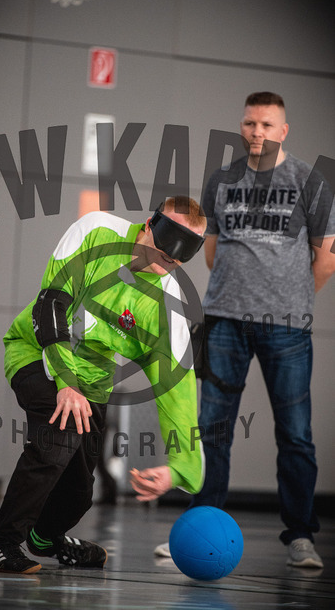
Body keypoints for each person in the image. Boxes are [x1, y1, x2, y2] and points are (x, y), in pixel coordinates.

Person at [154, 92, 335, 568]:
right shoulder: (221, 179)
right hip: (224, 323)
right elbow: (211, 251)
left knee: (295, 434)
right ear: (242, 126)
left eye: (268, 125)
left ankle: (300, 536)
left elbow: (326, 257)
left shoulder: (309, 181)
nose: (258, 132)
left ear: (283, 130)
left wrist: (293, 299)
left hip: (287, 327)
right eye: (251, 123)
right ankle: (199, 528)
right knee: (212, 430)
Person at [0, 195, 207, 574]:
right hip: (35, 350)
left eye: (183, 254)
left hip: (92, 384)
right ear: (149, 225)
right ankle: (1, 543)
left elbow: (178, 390)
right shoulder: (96, 231)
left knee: (80, 491)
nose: (170, 259)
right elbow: (50, 303)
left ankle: (46, 538)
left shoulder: (167, 308)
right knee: (59, 436)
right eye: (167, 244)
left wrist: (179, 467)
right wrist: (66, 382)